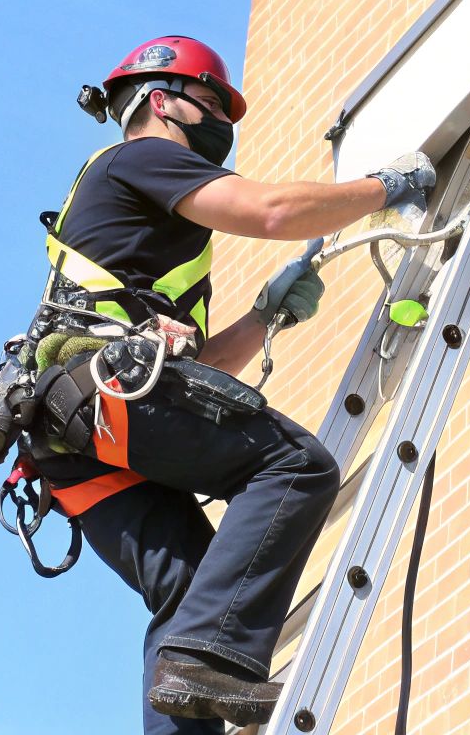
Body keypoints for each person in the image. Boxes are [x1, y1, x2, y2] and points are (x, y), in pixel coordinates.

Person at [23, 36, 436, 733]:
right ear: (161, 100)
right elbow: (273, 211)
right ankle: (212, 658)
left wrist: (265, 316)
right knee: (297, 466)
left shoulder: (140, 234)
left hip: (74, 432)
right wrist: (384, 189)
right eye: (210, 102)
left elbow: (191, 378)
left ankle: (199, 665)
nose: (222, 122)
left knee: (189, 594)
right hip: (104, 400)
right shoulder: (144, 157)